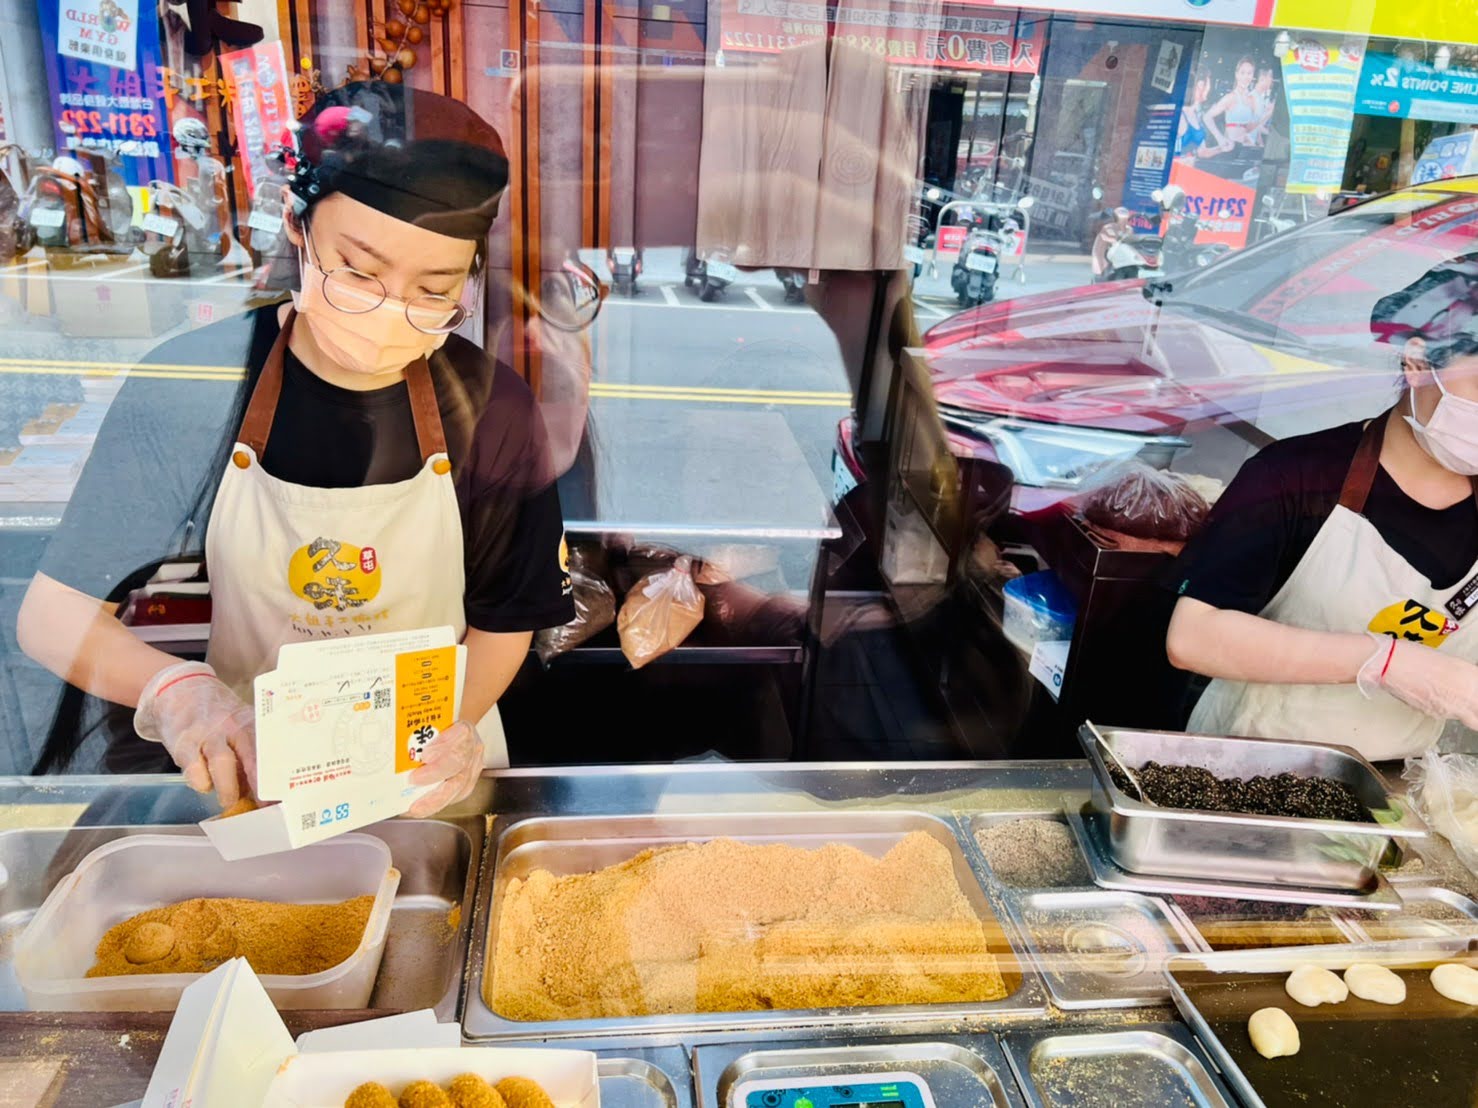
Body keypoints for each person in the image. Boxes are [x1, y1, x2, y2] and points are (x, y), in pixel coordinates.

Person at [17, 82, 575, 813]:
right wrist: (180, 694)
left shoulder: (490, 406)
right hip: (254, 770)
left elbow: (504, 621)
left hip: (428, 783)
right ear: (296, 226)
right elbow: (52, 617)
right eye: (359, 271)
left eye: (433, 289)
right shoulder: (197, 385)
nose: (388, 312)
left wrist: (455, 725)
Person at [1165, 260, 1478, 761]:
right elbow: (1193, 636)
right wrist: (1388, 661)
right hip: (1243, 774)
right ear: (1419, 363)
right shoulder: (1293, 476)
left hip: (1401, 793)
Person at [1203, 57, 1259, 152]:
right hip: (1230, 149)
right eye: (1242, 73)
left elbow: (1252, 127)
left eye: (1249, 73)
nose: (1246, 77)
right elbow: (1207, 117)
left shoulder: (1252, 99)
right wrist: (1220, 138)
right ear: (1237, 75)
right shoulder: (1230, 97)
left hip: (1246, 148)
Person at [1176, 69, 1216, 162]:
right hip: (1177, 170)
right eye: (1206, 85)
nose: (1208, 89)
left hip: (1189, 170)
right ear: (1199, 86)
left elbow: (1203, 152)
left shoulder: (1196, 115)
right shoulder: (1180, 114)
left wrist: (1221, 148)